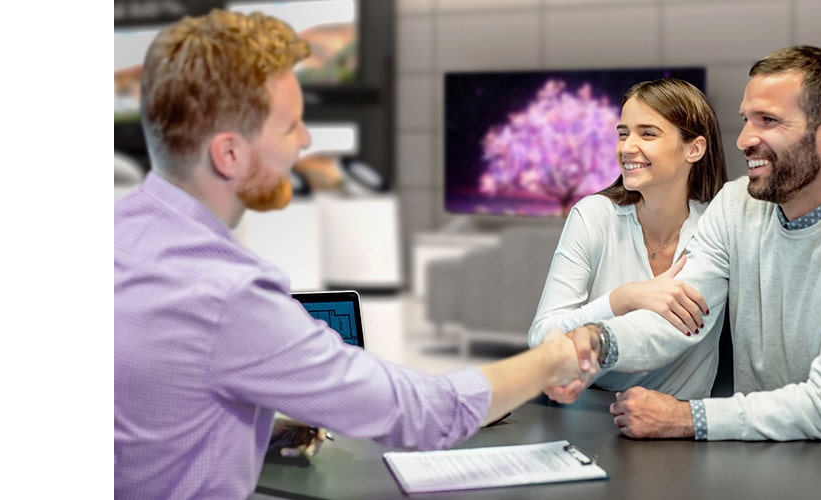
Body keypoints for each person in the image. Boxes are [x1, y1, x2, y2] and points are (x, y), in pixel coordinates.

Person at [113, 10, 594, 498]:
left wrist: (262, 420)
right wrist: (550, 360)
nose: (304, 142)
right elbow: (422, 413)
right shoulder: (231, 295)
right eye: (290, 127)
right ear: (229, 154)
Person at [547, 46, 821, 441]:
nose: (743, 140)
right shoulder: (736, 205)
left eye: (768, 121)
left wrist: (686, 418)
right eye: (746, 120)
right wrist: (599, 342)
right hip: (759, 444)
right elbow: (678, 318)